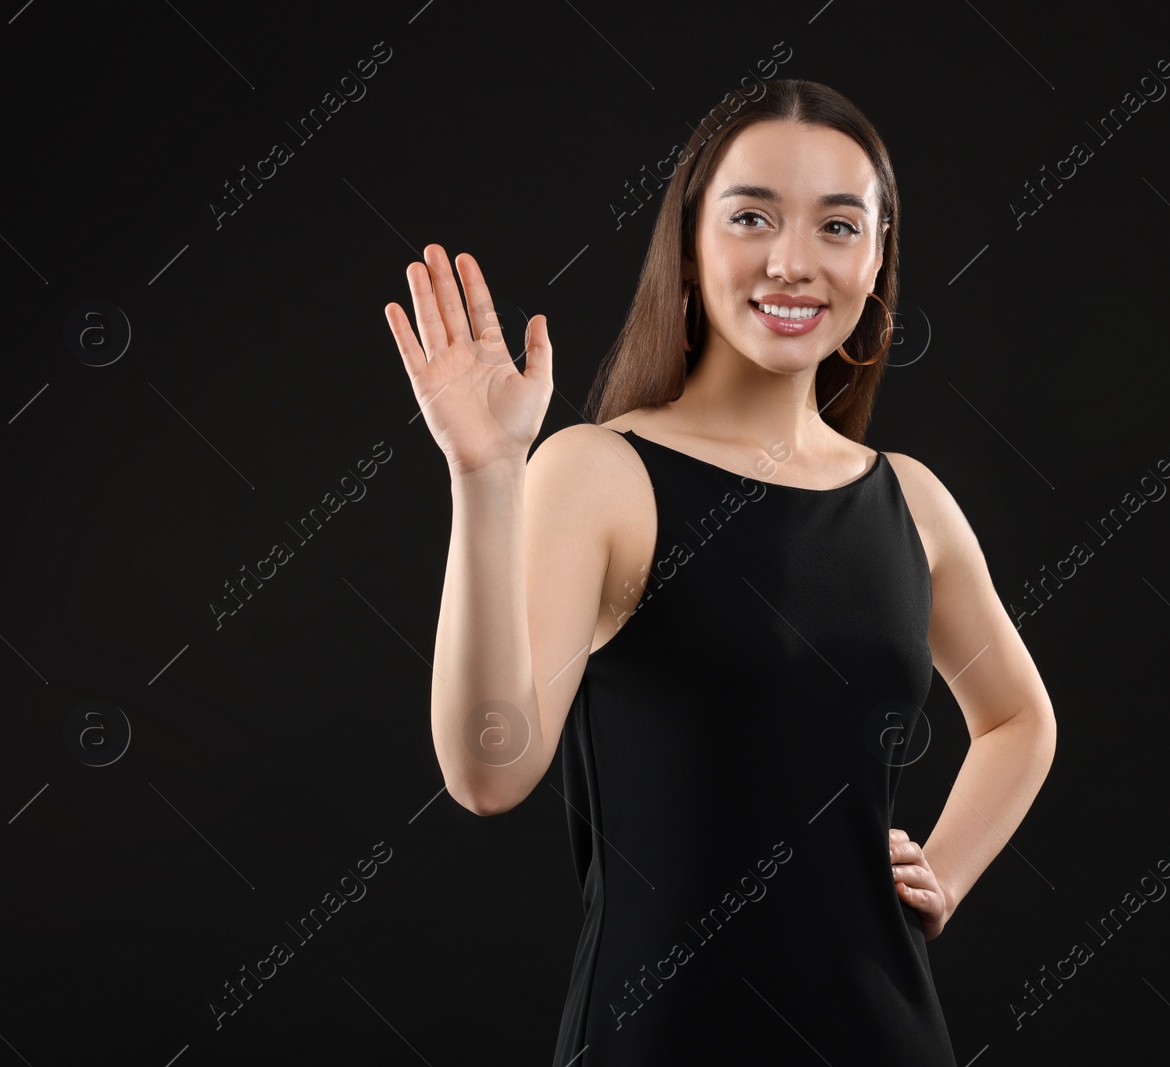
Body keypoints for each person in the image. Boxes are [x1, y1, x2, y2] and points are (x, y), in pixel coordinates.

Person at [384, 78, 1056, 1067]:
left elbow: (1018, 718)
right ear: (688, 246)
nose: (793, 261)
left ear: (876, 261)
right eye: (752, 216)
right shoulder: (598, 471)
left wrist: (944, 874)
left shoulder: (909, 500)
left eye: (838, 224)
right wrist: (486, 476)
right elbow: (488, 769)